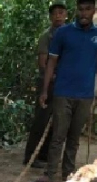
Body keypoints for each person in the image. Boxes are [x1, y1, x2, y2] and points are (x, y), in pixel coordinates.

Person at [30, 0, 97, 182]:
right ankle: (49, 174)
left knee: (74, 138)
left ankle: (68, 174)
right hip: (62, 92)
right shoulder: (63, 32)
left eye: (87, 9)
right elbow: (51, 62)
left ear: (94, 11)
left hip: (85, 94)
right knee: (58, 135)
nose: (83, 13)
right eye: (80, 9)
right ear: (76, 10)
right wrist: (44, 90)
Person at [23, 1, 68, 168]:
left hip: (64, 83)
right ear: (50, 17)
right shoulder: (46, 36)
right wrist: (52, 76)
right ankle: (31, 156)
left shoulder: (69, 34)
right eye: (55, 13)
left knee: (57, 121)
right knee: (41, 119)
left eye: (61, 13)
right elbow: (43, 62)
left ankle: (46, 155)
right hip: (47, 82)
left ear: (66, 15)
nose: (58, 16)